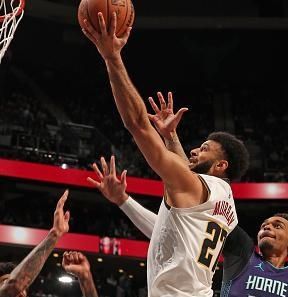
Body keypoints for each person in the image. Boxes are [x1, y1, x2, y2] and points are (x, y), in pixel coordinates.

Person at [91, 94, 288, 297]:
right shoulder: (242, 248)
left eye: (276, 225)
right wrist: (125, 201)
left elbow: (185, 191)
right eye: (265, 224)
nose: (266, 227)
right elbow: (173, 227)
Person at [82, 12, 249, 297]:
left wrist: (112, 58)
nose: (196, 149)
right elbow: (164, 232)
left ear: (222, 165)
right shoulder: (226, 205)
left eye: (206, 148)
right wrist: (124, 200)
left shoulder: (195, 186)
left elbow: (137, 125)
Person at [0, 190, 70, 297]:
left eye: (23, 288)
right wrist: (55, 235)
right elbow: (14, 285)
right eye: (5, 283)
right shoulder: (12, 287)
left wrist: (85, 278)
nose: (18, 291)